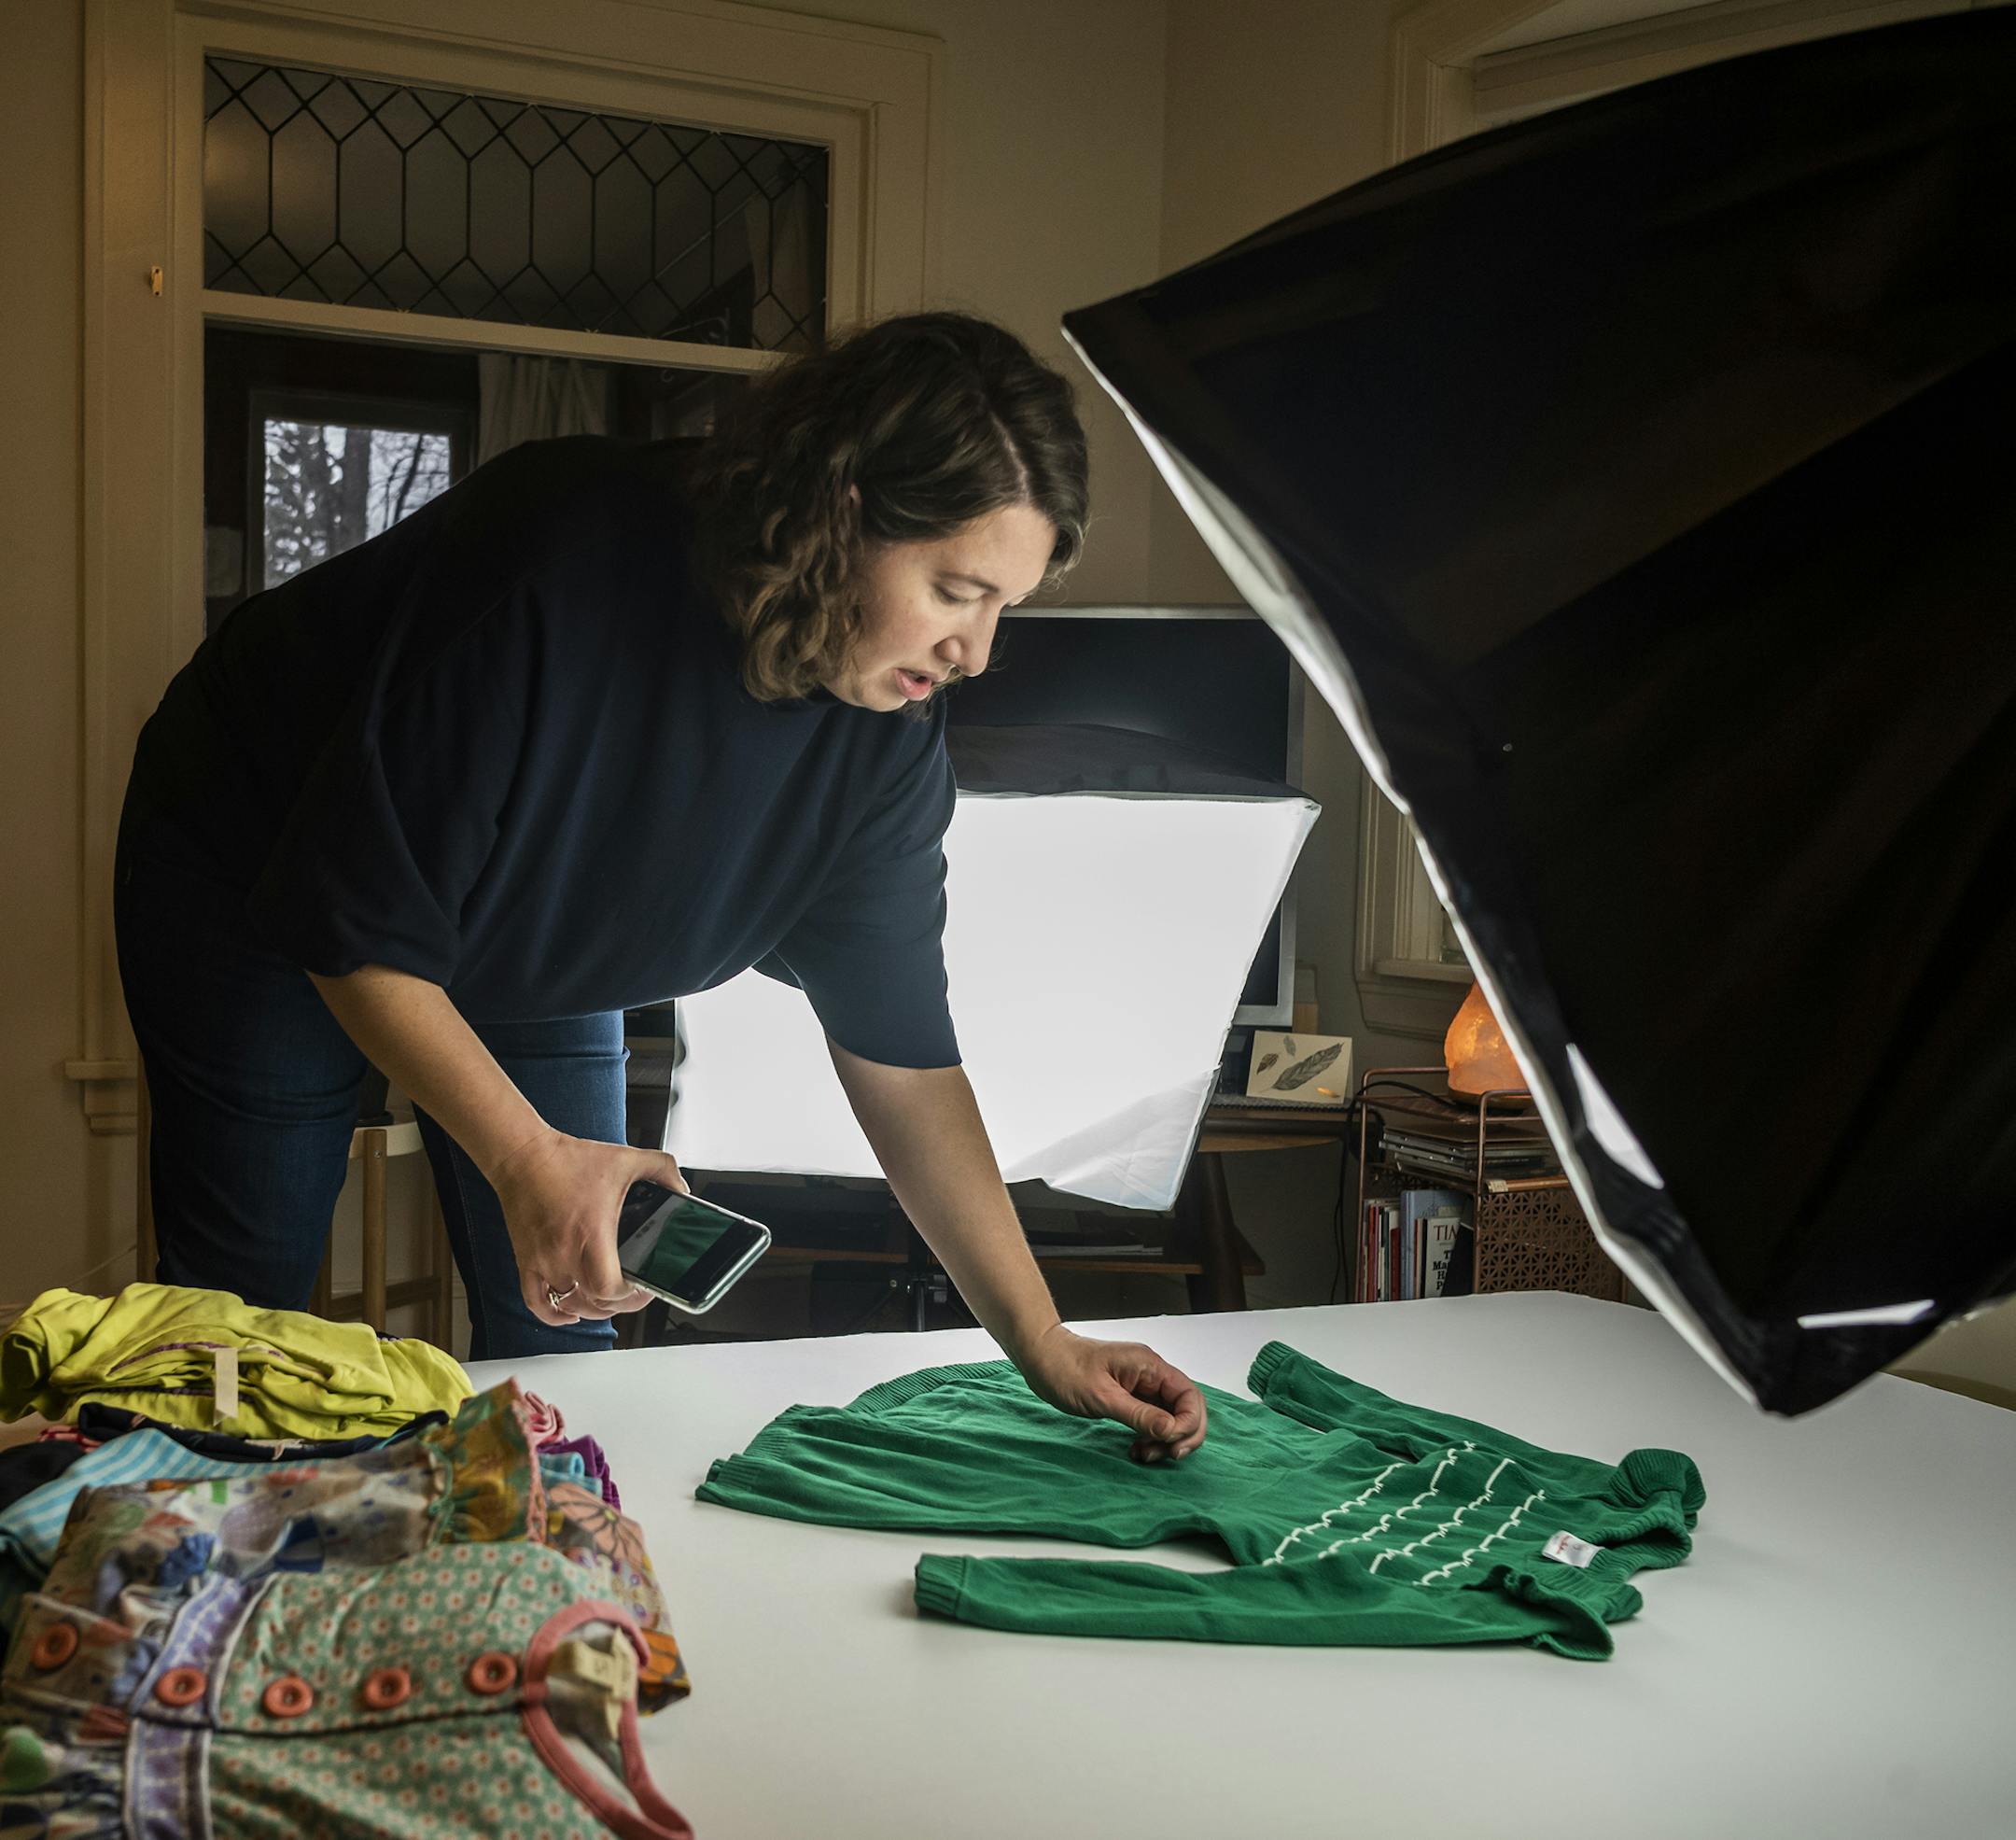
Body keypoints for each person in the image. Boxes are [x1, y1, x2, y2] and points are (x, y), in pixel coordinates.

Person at [115, 311, 1208, 1461]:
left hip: (535, 926)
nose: (977, 655)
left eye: (1005, 608)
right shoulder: (555, 558)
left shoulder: (885, 741)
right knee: (246, 1345)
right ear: (841, 516)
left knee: (573, 1323)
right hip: (257, 872)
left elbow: (905, 1063)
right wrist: (529, 1157)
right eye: (953, 590)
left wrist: (1042, 1337)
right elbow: (354, 927)